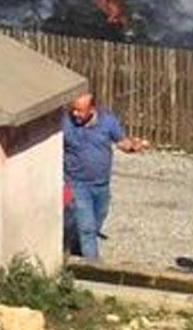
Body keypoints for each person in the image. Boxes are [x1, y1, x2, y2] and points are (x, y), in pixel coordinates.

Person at [61, 91, 145, 260]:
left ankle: (73, 244)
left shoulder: (107, 121)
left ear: (91, 109)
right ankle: (93, 264)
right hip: (76, 183)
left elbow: (121, 141)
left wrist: (133, 146)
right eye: (73, 110)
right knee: (87, 226)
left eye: (80, 110)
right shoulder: (65, 124)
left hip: (102, 184)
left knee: (99, 216)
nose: (75, 114)